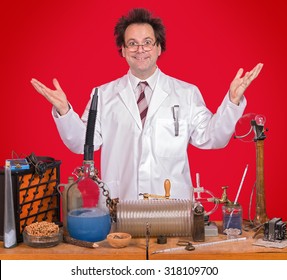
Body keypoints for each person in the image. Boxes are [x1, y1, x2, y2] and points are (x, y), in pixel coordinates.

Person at [31, 8, 263, 201]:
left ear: (159, 48)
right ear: (122, 50)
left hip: (173, 205)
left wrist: (232, 101)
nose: (140, 49)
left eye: (147, 42)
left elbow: (213, 137)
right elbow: (84, 144)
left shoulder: (186, 93)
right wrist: (64, 110)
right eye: (132, 43)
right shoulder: (102, 94)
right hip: (120, 203)